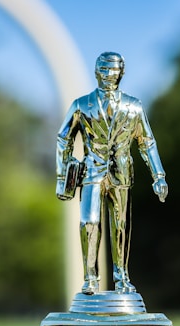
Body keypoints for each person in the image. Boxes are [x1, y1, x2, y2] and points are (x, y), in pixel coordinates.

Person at [56, 52, 168, 295]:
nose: (109, 75)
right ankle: (90, 277)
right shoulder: (81, 104)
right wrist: (61, 174)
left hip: (121, 173)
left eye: (114, 70)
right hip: (91, 172)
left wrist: (158, 175)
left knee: (121, 226)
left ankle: (121, 277)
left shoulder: (134, 105)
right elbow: (63, 138)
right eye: (104, 69)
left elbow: (146, 142)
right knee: (89, 223)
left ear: (122, 73)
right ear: (96, 72)